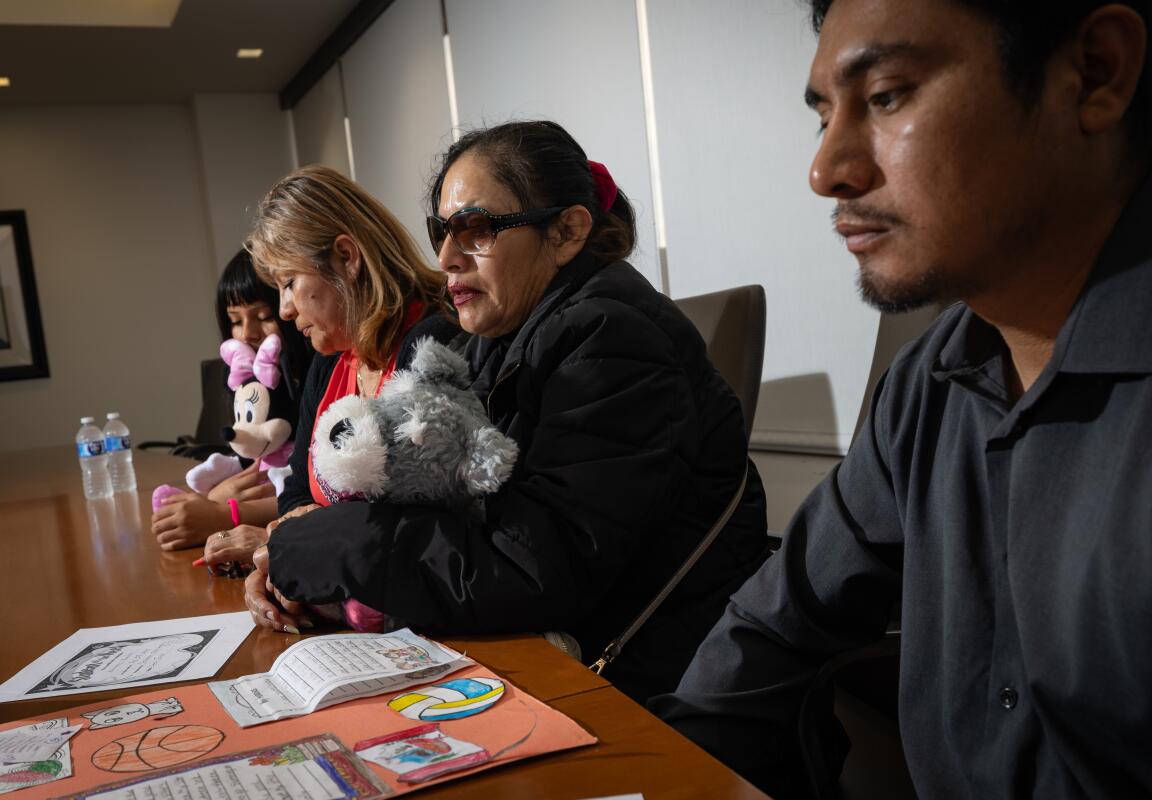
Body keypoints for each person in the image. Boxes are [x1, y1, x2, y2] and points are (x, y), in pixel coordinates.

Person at [651, 0, 1152, 797]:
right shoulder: (931, 378)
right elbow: (776, 628)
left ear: (1095, 74)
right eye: (823, 116)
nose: (826, 171)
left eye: (887, 96)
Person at [244, 121, 769, 703]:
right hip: (552, 662)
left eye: (475, 229)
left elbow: (536, 569)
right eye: (441, 231)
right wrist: (309, 553)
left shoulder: (612, 338)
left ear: (567, 231)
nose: (445, 256)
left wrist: (334, 544)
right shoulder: (507, 334)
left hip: (652, 698)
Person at [203, 165, 460, 571]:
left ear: (346, 256)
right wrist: (287, 554)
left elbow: (408, 519)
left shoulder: (433, 344)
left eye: (289, 283)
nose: (285, 310)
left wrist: (287, 546)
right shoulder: (328, 364)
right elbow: (294, 492)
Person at [151, 251, 312, 551]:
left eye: (263, 317)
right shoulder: (246, 383)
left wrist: (223, 512)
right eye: (235, 321)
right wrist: (217, 499)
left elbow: (308, 497)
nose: (248, 333)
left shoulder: (314, 384)